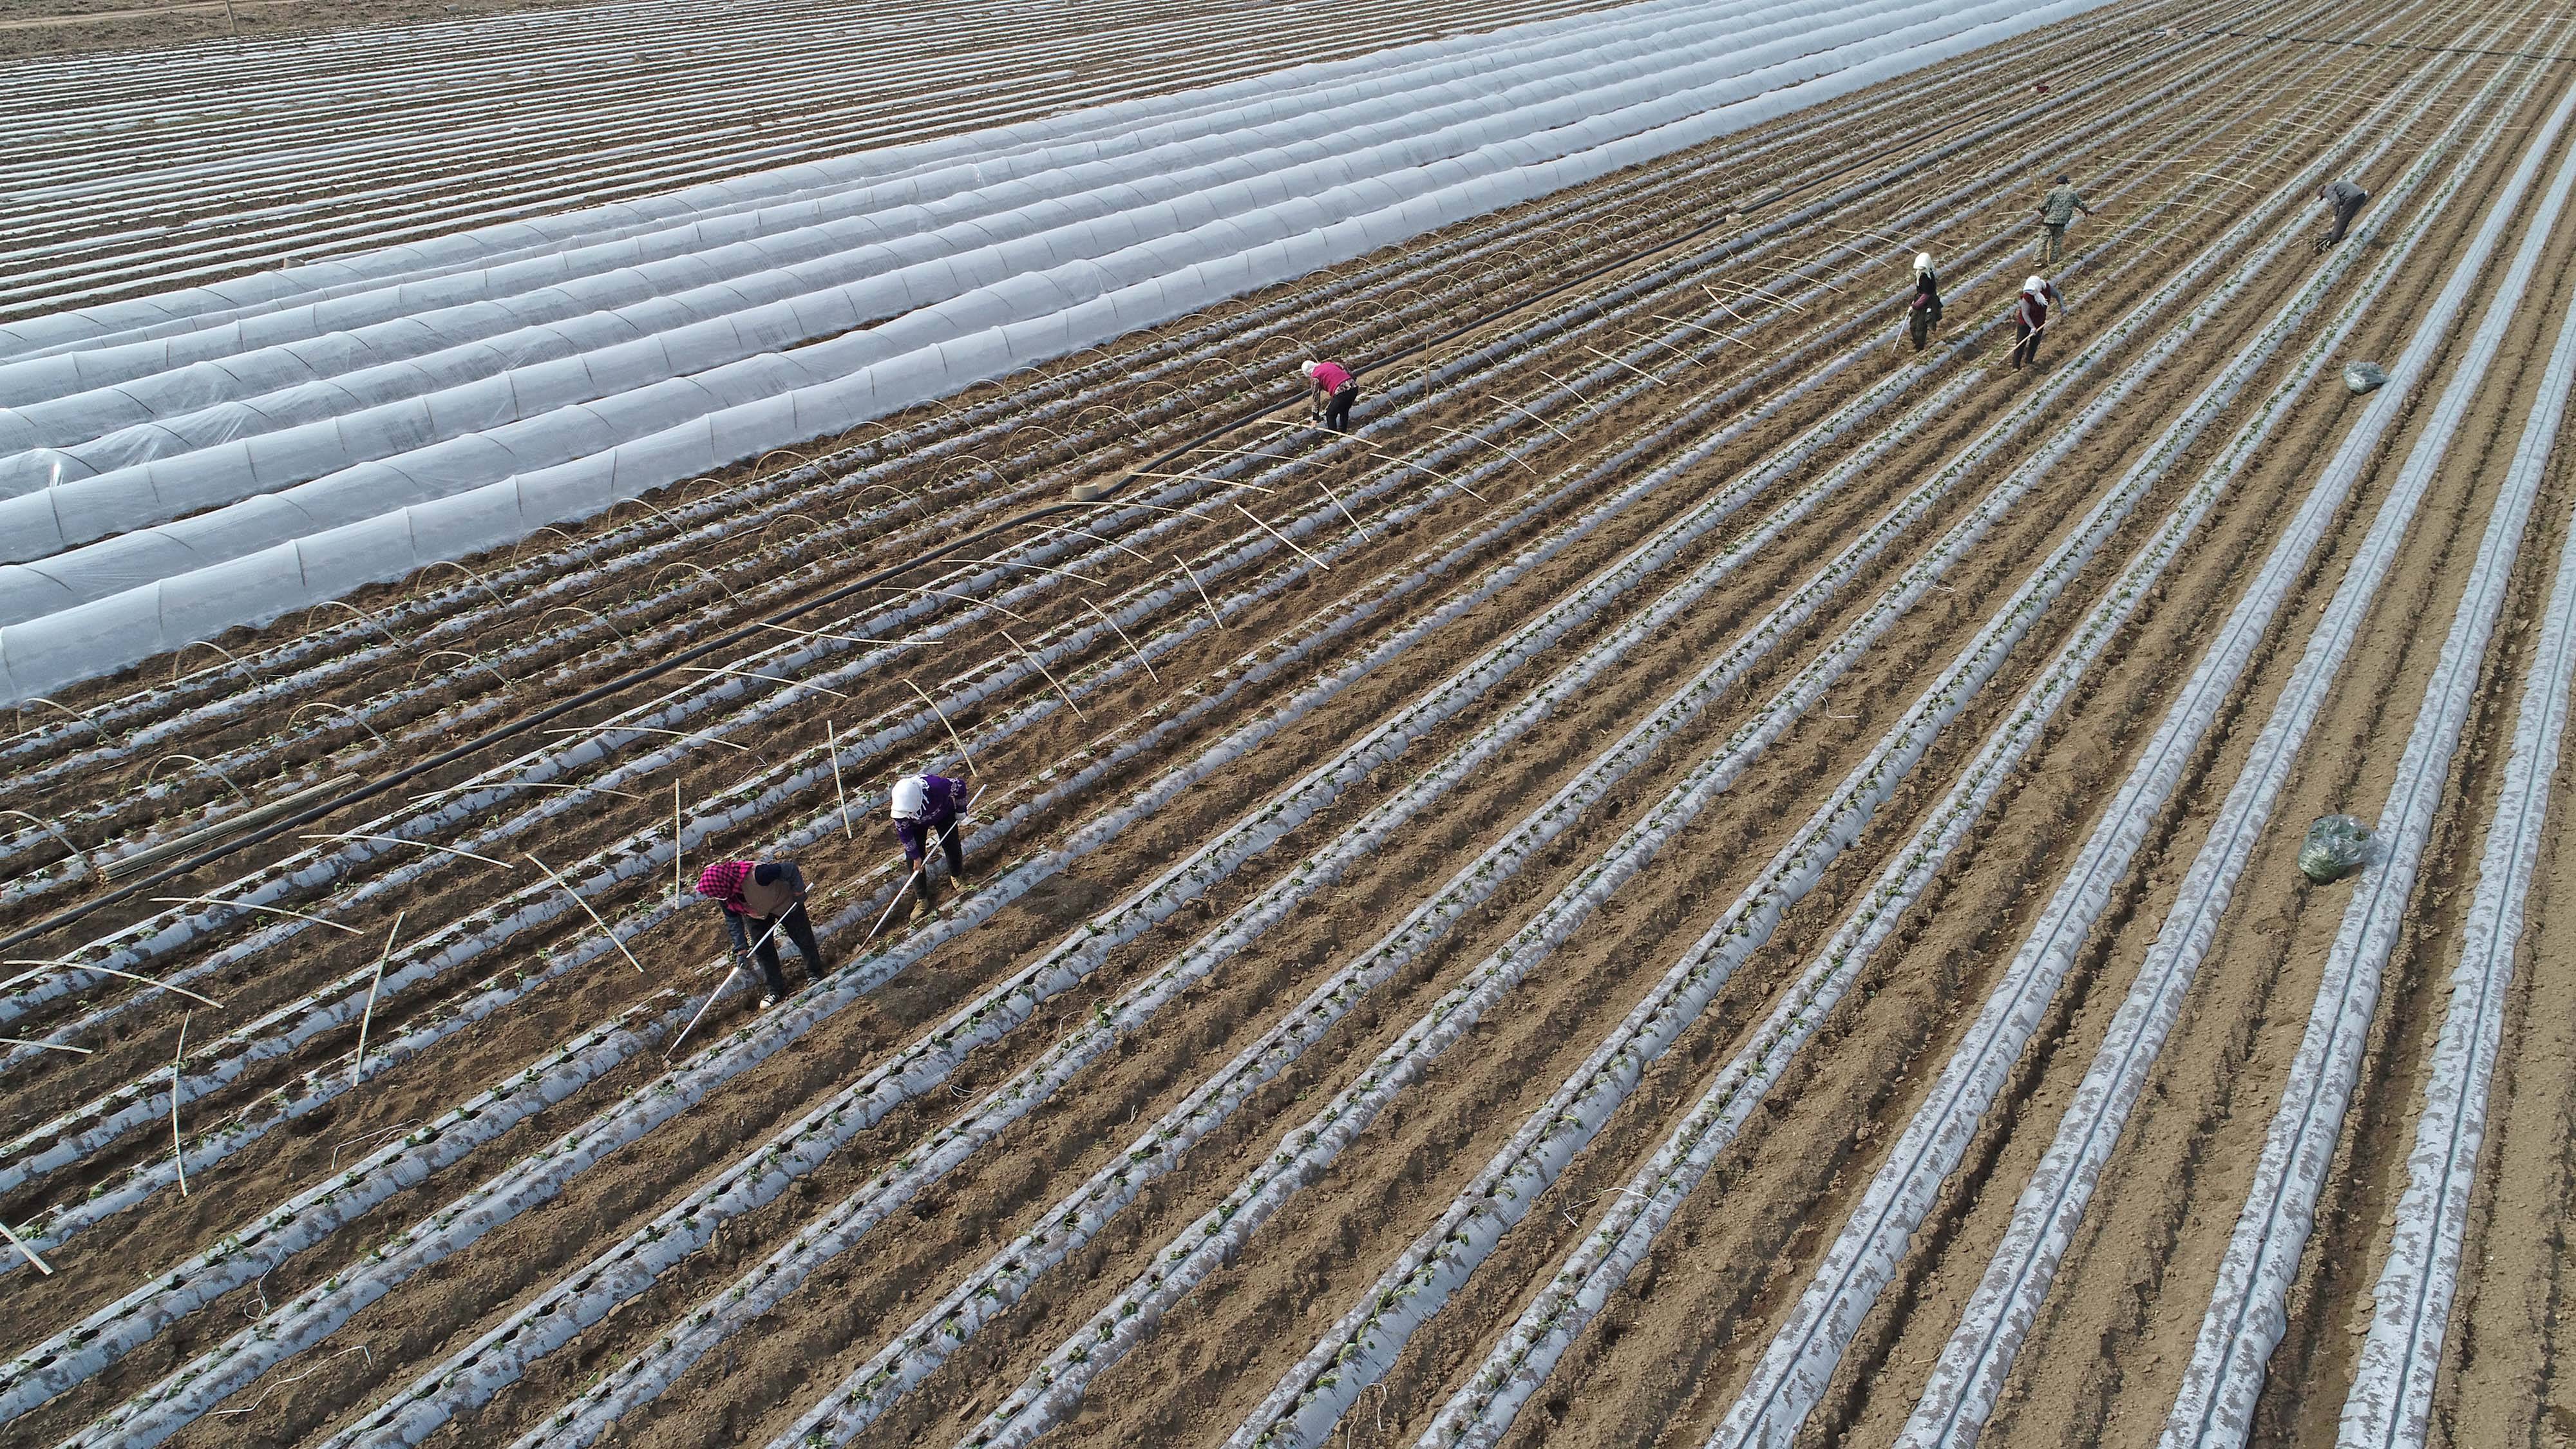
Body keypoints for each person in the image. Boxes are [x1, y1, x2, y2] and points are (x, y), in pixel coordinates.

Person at [697, 858, 826, 1008]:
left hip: (783, 902)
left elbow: (790, 869)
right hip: (755, 913)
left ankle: (814, 972)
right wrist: (741, 949)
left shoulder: (759, 874)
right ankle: (775, 989)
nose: (715, 896)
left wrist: (798, 891)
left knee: (802, 937)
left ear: (722, 883)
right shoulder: (725, 894)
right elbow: (733, 921)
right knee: (762, 949)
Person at [891, 772, 970, 911]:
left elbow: (960, 785)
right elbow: (905, 835)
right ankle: (922, 898)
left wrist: (961, 810)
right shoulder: (901, 811)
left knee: (951, 845)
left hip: (943, 814)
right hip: (916, 825)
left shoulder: (937, 787)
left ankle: (957, 876)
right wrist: (916, 856)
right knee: (914, 862)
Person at [2009, 275, 2065, 371]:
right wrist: (2032, 327)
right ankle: (2016, 366)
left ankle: (2029, 362)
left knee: (2034, 343)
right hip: (2025, 323)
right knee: (2021, 343)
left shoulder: (2046, 288)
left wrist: (2062, 306)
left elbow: (2058, 294)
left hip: (2040, 321)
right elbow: (2025, 314)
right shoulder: (2027, 297)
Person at [2037, 175, 2092, 265]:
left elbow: (2042, 206)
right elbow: (2080, 204)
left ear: (2057, 183)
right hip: (2062, 221)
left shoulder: (2052, 192)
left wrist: (2043, 213)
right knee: (2057, 241)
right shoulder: (2071, 193)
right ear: (2066, 183)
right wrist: (2086, 211)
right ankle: (2053, 260)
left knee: (2043, 239)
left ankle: (2038, 260)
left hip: (2049, 220)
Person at [1303, 358, 1358, 433]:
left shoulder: (1315, 377)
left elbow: (1316, 398)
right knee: (1344, 410)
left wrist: (1315, 418)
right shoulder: (1328, 364)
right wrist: (1352, 379)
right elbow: (1344, 368)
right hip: (1353, 387)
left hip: (1341, 391)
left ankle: (1334, 436)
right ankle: (1343, 432)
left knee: (1330, 414)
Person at [2316, 178, 2370, 252]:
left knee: (2342, 219)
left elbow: (2336, 201)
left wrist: (2335, 215)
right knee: (2344, 216)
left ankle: (2334, 238)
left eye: (2323, 197)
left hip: (2353, 197)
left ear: (2322, 193)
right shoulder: (2334, 185)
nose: (2325, 197)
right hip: (2360, 195)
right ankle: (2335, 233)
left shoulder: (2326, 191)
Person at [1908, 252, 1944, 352]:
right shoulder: (1920, 275)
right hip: (1920, 301)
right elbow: (1920, 292)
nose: (1920, 270)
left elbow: (1926, 295)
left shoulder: (1927, 278)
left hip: (1927, 304)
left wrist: (1915, 306)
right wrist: (1915, 302)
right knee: (1913, 324)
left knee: (1920, 326)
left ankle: (1919, 347)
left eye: (1922, 268)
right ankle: (1916, 342)